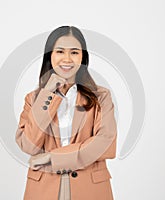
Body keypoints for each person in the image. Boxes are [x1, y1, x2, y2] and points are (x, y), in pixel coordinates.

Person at [15, 25, 117, 200]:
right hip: (43, 189)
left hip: (90, 190)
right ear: (50, 56)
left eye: (75, 52)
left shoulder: (101, 96)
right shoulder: (34, 99)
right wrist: (47, 93)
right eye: (60, 52)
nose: (67, 59)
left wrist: (53, 158)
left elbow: (105, 144)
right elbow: (28, 145)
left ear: (83, 57)